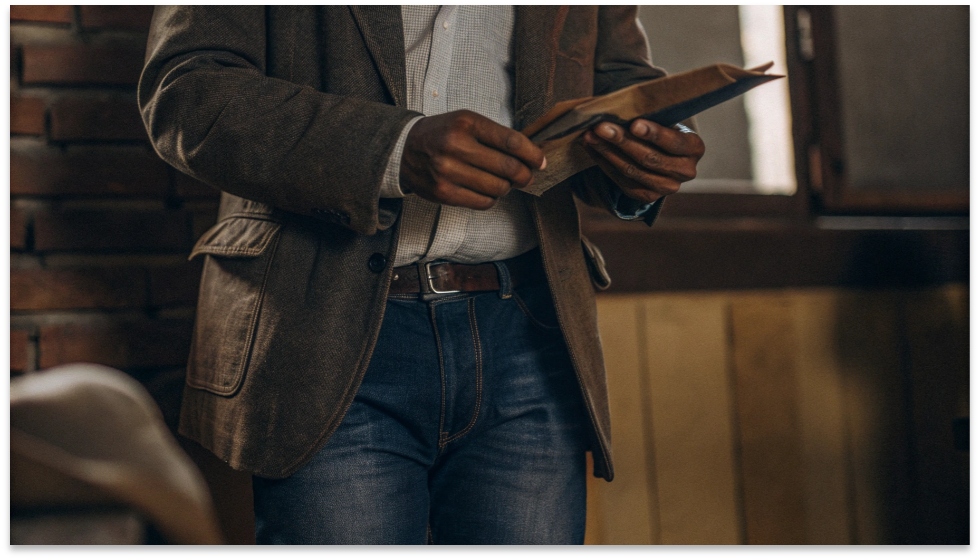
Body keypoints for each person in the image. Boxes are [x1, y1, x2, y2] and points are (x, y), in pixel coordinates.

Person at [139, 6, 704, 545]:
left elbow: (617, 84)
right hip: (325, 327)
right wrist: (393, 150)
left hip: (531, 335)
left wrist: (651, 151)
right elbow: (187, 92)